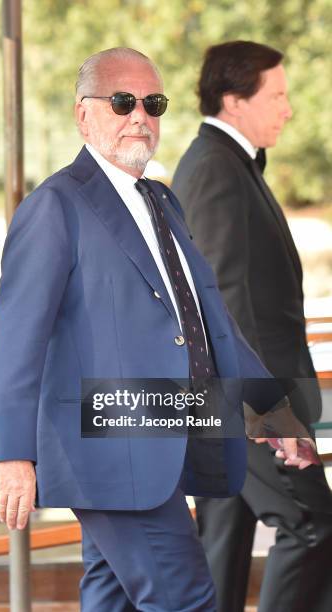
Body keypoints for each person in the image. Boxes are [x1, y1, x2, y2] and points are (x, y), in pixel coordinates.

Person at [0, 47, 314, 612]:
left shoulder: (161, 200)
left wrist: (270, 413)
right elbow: (16, 336)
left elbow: (210, 318)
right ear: (84, 114)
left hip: (168, 432)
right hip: (110, 448)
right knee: (186, 597)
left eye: (152, 103)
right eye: (122, 101)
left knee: (114, 598)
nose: (140, 115)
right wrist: (9, 452)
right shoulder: (54, 206)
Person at [172, 40, 332, 612]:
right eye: (278, 95)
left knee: (223, 546)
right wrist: (268, 412)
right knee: (314, 526)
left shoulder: (227, 162)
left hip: (235, 404)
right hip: (250, 406)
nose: (288, 109)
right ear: (235, 101)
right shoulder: (216, 168)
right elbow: (223, 307)